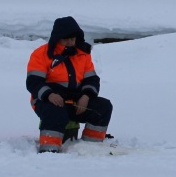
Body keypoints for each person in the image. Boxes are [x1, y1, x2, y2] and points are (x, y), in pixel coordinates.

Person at [27, 16, 113, 152]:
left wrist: (86, 96)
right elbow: (33, 82)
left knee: (103, 107)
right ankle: (49, 150)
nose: (70, 42)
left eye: (72, 39)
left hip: (76, 102)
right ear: (57, 38)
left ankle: (91, 146)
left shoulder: (83, 54)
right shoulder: (41, 54)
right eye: (66, 39)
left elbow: (91, 79)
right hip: (47, 101)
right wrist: (49, 95)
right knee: (55, 112)